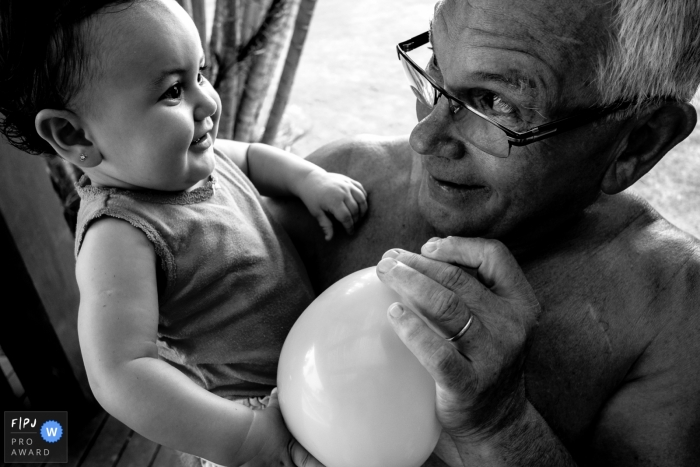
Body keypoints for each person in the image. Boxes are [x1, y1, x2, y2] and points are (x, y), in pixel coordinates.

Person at [267, 0, 700, 465]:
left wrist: (500, 425)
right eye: (435, 64)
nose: (423, 139)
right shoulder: (338, 192)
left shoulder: (675, 314)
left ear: (639, 142)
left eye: (496, 102)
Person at [0, 1, 368, 466]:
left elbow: (252, 157)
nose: (209, 101)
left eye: (201, 73)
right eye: (174, 90)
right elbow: (120, 372)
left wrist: (307, 180)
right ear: (75, 136)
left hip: (313, 376)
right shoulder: (120, 235)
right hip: (258, 419)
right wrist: (246, 438)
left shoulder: (189, 163)